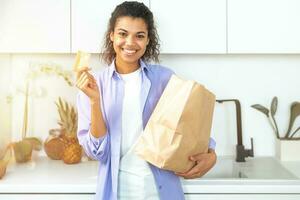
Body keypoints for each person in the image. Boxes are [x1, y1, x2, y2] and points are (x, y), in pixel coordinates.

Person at [76, 1, 217, 200]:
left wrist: (212, 155)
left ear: (148, 39)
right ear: (112, 36)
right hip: (118, 191)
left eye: (139, 36)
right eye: (123, 34)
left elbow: (191, 129)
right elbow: (97, 152)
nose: (130, 42)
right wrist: (94, 102)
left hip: (161, 191)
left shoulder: (165, 79)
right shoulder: (93, 85)